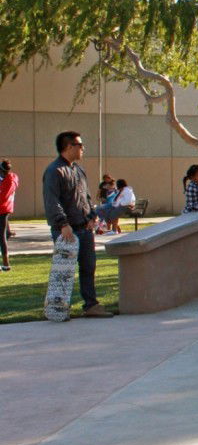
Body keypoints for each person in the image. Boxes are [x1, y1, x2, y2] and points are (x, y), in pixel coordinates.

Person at [43, 131, 112, 318]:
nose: (83, 148)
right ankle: (59, 310)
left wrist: (92, 216)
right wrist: (63, 224)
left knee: (88, 267)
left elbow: (86, 197)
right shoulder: (55, 171)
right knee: (64, 272)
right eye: (79, 145)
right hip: (66, 230)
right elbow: (52, 201)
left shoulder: (79, 170)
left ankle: (91, 305)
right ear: (68, 146)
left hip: (85, 229)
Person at [0, 160, 17, 272]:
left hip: (2, 209)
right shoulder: (12, 178)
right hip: (6, 208)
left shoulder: (7, 182)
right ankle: (8, 232)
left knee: (1, 237)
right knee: (3, 235)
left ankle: (6, 264)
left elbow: (2, 197)